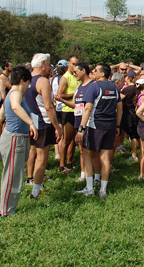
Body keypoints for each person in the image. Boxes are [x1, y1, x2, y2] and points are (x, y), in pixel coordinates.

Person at [0, 65, 38, 217]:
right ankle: (6, 211)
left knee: (15, 175)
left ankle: (9, 208)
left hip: (15, 138)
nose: (28, 86)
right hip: (14, 139)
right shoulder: (16, 93)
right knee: (12, 177)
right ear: (22, 81)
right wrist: (30, 123)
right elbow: (16, 108)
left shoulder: (12, 93)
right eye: (28, 83)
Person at [75, 63, 122, 198]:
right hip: (110, 126)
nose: (93, 71)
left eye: (96, 70)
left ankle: (89, 189)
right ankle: (103, 190)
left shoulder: (94, 86)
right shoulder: (114, 87)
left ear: (102, 74)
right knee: (105, 158)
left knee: (87, 155)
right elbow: (119, 108)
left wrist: (81, 129)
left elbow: (88, 109)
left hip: (95, 126)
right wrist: (117, 126)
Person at [23, 53, 63, 199]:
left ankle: (31, 179)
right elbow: (49, 107)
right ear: (43, 64)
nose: (50, 67)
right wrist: (57, 127)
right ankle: (36, 190)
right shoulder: (43, 81)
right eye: (49, 64)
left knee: (32, 153)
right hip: (43, 123)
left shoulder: (26, 81)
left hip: (29, 122)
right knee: (42, 158)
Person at [57, 55, 81, 173]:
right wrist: (74, 94)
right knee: (66, 139)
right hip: (67, 111)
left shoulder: (78, 76)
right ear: (68, 64)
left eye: (76, 64)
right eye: (73, 64)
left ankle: (69, 163)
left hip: (77, 110)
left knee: (73, 140)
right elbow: (58, 95)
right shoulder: (65, 78)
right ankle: (61, 165)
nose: (74, 66)